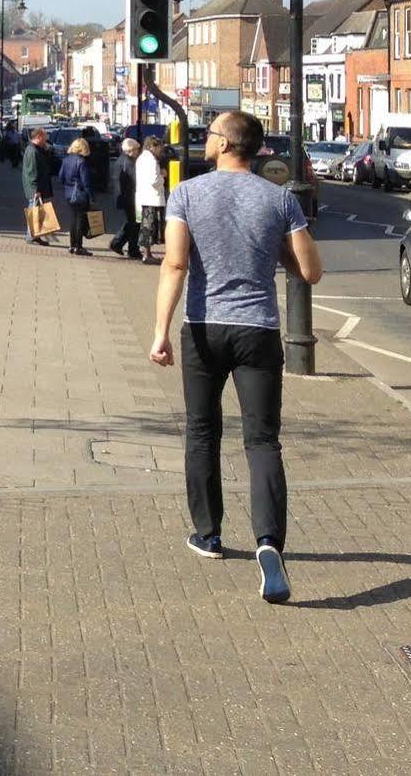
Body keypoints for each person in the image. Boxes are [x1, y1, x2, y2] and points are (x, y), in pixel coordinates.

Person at [149, 110, 323, 606]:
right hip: (259, 330)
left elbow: (176, 263)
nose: (205, 140)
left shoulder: (187, 194)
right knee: (263, 440)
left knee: (202, 432)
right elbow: (309, 272)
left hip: (204, 328)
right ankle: (269, 542)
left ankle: (208, 535)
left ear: (227, 144)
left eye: (210, 134)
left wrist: (160, 331)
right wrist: (283, 243)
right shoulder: (280, 198)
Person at [136, 136, 169, 267]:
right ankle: (147, 255)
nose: (160, 151)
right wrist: (163, 175)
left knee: (147, 227)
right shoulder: (150, 160)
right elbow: (154, 180)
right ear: (152, 147)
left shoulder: (142, 158)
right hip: (152, 198)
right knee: (150, 228)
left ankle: (147, 254)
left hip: (145, 197)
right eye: (159, 148)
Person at [20, 128, 55, 245]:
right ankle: (31, 237)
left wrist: (46, 149)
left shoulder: (38, 150)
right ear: (39, 136)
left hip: (39, 187)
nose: (46, 139)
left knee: (37, 212)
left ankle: (35, 235)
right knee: (34, 211)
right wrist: (35, 189)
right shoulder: (32, 151)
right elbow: (32, 172)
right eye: (45, 137)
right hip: (35, 189)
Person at [60, 137, 94, 257]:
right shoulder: (82, 161)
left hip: (69, 194)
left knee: (73, 219)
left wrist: (69, 184)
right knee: (80, 220)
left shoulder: (66, 160)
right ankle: (78, 246)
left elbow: (61, 177)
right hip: (80, 194)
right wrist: (91, 196)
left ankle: (72, 245)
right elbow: (86, 182)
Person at [109, 137, 142, 259]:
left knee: (131, 223)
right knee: (134, 224)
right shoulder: (129, 163)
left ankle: (119, 244)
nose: (138, 152)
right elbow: (135, 180)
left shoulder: (121, 160)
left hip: (124, 196)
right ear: (131, 150)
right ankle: (130, 248)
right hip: (130, 197)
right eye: (137, 150)